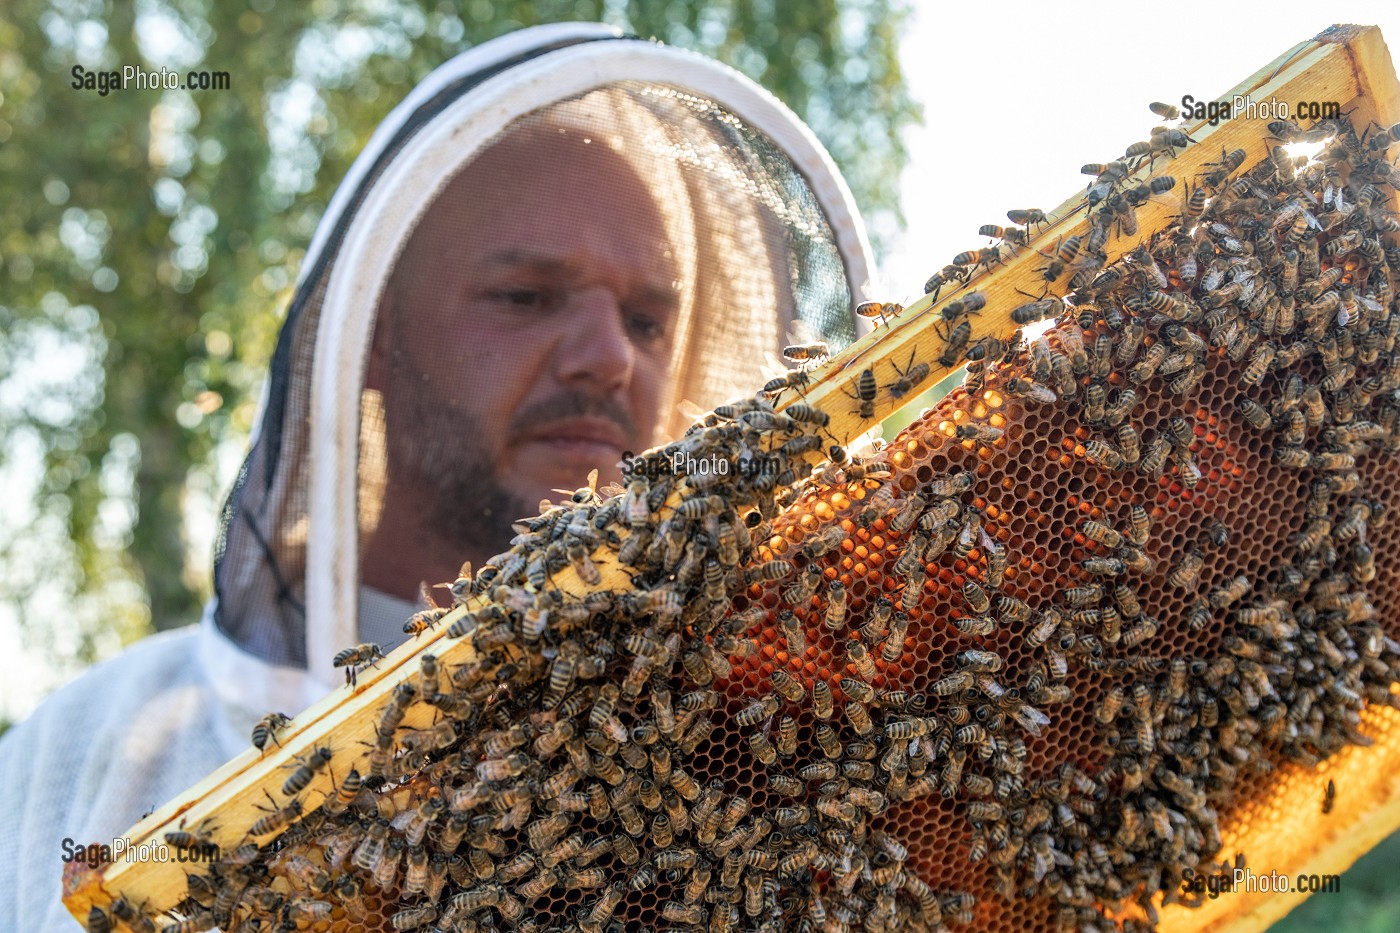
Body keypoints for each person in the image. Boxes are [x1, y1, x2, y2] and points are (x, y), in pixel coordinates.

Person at [0, 22, 874, 930]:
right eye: (525, 296)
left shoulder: (774, 742)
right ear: (369, 333)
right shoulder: (96, 752)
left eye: (649, 321)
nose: (610, 356)